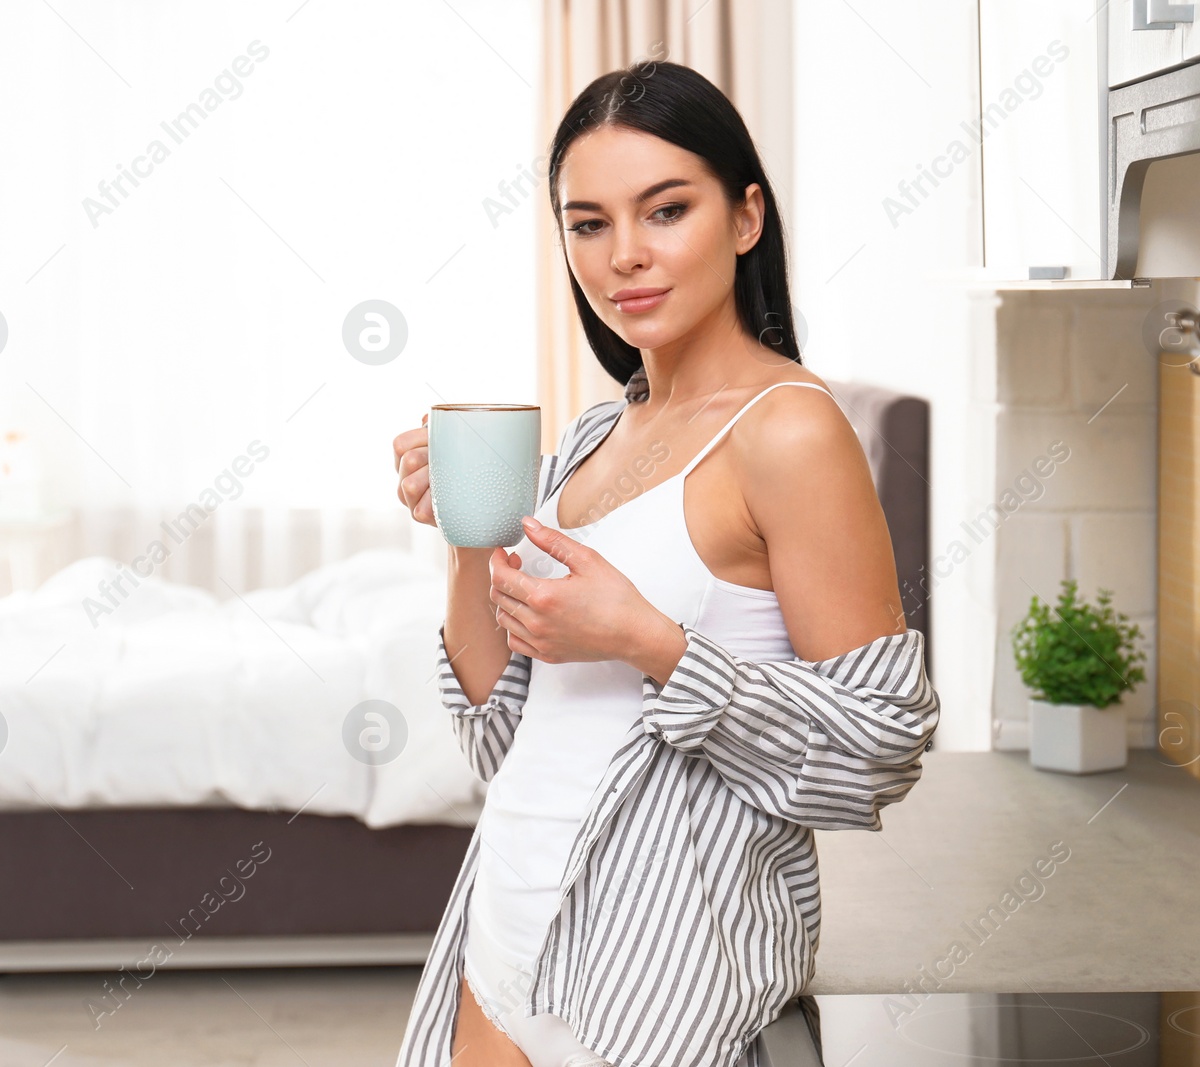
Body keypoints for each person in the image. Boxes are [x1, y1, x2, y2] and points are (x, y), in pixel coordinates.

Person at [391, 60, 939, 1067]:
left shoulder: (789, 432)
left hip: (659, 971)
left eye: (666, 210)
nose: (625, 257)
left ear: (745, 217)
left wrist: (651, 644)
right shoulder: (597, 434)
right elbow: (495, 731)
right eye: (588, 223)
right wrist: (471, 540)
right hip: (505, 932)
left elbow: (879, 746)